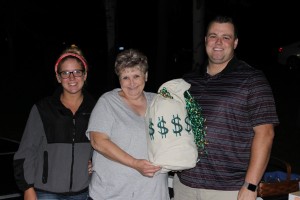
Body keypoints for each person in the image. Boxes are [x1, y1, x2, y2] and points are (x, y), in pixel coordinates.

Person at [173, 15, 279, 200]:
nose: (218, 42)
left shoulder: (252, 79)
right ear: (205, 40)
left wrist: (251, 185)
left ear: (235, 43)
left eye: (226, 37)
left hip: (229, 190)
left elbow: (265, 134)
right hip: (184, 185)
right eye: (213, 36)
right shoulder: (188, 81)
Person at [13, 44, 96, 200]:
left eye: (77, 72)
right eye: (65, 73)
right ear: (58, 77)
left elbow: (103, 145)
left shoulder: (96, 108)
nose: (72, 78)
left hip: (82, 191)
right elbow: (26, 151)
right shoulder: (43, 108)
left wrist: (95, 163)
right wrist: (27, 188)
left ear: (85, 75)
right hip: (46, 192)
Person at [86, 48, 170, 200]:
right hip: (113, 193)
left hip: (153, 193)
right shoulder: (108, 102)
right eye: (125, 77)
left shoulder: (159, 102)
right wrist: (135, 163)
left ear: (146, 76)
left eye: (136, 76)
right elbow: (98, 141)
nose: (131, 83)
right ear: (119, 79)